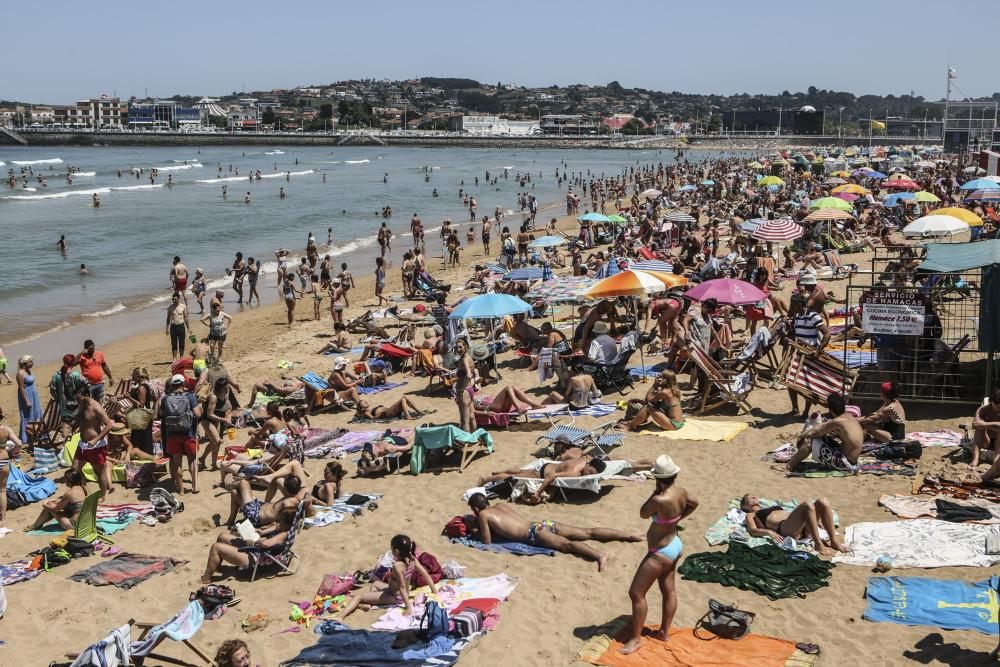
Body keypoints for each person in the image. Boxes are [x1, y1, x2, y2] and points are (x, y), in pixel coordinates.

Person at [620, 455, 698, 655]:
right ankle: (664, 632)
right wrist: (678, 518)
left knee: (636, 593)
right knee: (669, 590)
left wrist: (655, 492)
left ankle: (636, 639)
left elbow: (643, 513)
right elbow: (694, 503)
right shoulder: (681, 492)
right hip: (675, 543)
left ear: (657, 478)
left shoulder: (659, 499)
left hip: (660, 551)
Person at [467, 493, 641, 571]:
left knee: (567, 545)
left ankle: (599, 555)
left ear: (476, 508)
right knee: (587, 531)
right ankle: (629, 535)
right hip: (541, 524)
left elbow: (487, 542)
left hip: (534, 534)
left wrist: (474, 529)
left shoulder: (483, 514)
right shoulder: (500, 505)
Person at [341, 535, 438, 618]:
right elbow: (426, 575)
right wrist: (434, 591)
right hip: (397, 592)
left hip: (395, 597)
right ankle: (369, 604)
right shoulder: (412, 560)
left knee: (358, 597)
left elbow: (402, 587)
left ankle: (340, 617)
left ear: (396, 551)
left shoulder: (398, 566)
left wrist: (408, 607)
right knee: (375, 584)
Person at [201, 503, 298, 584]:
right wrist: (261, 531)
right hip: (258, 550)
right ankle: (217, 567)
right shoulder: (286, 526)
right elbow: (275, 527)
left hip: (257, 555)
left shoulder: (283, 535)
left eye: (280, 519)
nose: (277, 521)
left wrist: (252, 541)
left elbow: (266, 544)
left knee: (216, 547)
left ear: (286, 522)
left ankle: (206, 578)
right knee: (222, 536)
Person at [740, 494, 847, 556]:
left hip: (801, 525)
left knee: (822, 501)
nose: (753, 496)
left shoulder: (769, 506)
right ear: (745, 506)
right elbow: (752, 530)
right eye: (749, 497)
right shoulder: (750, 514)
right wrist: (769, 532)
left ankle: (833, 540)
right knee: (807, 505)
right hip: (785, 528)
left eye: (754, 495)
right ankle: (818, 544)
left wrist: (817, 520)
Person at [478, 456, 608, 503]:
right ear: (589, 465)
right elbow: (551, 477)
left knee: (520, 471)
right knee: (514, 477)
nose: (588, 475)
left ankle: (500, 471)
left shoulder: (584, 460)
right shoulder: (574, 473)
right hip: (542, 475)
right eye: (590, 472)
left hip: (546, 466)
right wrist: (538, 492)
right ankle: (486, 479)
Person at [786, 393, 864, 473]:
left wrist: (802, 435)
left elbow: (816, 432)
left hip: (845, 463)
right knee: (822, 437)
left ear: (830, 410)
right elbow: (823, 427)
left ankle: (789, 466)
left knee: (809, 440)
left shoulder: (838, 422)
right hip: (851, 460)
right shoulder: (848, 416)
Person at [159, 374, 203, 495]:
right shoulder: (190, 396)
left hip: (172, 433)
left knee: (177, 462)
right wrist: (200, 406)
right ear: (183, 384)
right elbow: (198, 414)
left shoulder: (166, 398)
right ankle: (194, 486)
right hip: (188, 433)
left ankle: (181, 489)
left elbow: (162, 413)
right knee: (192, 461)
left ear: (172, 385)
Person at [73, 383, 114, 498]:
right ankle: (84, 491)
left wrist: (96, 439)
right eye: (76, 398)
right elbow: (80, 419)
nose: (77, 400)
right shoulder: (81, 404)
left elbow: (109, 425)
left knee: (99, 472)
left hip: (96, 446)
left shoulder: (95, 407)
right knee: (75, 469)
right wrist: (72, 429)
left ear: (86, 395)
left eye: (79, 398)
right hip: (83, 444)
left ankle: (102, 495)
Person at [617, 371, 685, 432]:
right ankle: (633, 422)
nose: (658, 378)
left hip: (673, 424)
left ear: (665, 381)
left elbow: (647, 401)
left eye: (660, 377)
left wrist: (654, 385)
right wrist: (638, 400)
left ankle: (630, 426)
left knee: (648, 407)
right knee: (652, 405)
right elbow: (652, 400)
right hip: (679, 422)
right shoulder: (674, 390)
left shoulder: (664, 392)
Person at [200, 377, 235, 472]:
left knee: (215, 443)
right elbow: (209, 414)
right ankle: (211, 462)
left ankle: (207, 460)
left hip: (218, 420)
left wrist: (229, 415)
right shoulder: (213, 397)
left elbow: (228, 405)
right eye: (227, 386)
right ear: (223, 387)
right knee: (217, 441)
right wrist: (224, 420)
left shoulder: (225, 393)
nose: (229, 387)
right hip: (207, 420)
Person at [128, 367, 156, 457]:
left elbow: (140, 404)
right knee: (145, 438)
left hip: (141, 417)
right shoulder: (145, 386)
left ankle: (144, 459)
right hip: (144, 417)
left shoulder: (141, 388)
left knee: (141, 440)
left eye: (133, 376)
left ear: (138, 377)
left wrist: (128, 397)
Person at [16, 355, 42, 443]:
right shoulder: (20, 373)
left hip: (34, 395)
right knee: (27, 415)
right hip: (26, 396)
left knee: (36, 412)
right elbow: (21, 388)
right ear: (25, 363)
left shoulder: (29, 371)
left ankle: (35, 433)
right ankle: (26, 437)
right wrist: (26, 401)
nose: (32, 363)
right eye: (30, 362)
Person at [972, 389, 1000, 472]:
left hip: (998, 442)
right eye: (997, 405)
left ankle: (996, 459)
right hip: (986, 440)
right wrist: (995, 425)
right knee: (979, 430)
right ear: (991, 402)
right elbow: (975, 424)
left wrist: (984, 424)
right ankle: (975, 459)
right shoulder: (983, 410)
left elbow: (980, 423)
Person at [454, 338, 477, 433]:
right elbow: (473, 371)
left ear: (466, 347)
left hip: (464, 391)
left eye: (460, 347)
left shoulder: (464, 359)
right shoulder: (469, 357)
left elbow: (468, 374)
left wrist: (461, 389)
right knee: (472, 417)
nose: (458, 349)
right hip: (470, 389)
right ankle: (474, 437)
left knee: (464, 420)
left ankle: (467, 440)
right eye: (456, 347)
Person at [166, 292, 190, 360]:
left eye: (175, 299)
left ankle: (181, 357)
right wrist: (167, 328)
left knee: (182, 343)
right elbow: (168, 318)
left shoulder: (183, 306)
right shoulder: (170, 307)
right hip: (173, 327)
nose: (174, 300)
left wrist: (188, 328)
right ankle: (174, 358)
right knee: (174, 343)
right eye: (172, 299)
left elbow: (186, 318)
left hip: (181, 326)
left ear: (179, 299)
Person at [355, 396, 423, 420]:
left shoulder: (371, 408)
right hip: (387, 413)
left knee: (404, 398)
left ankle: (419, 411)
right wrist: (380, 412)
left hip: (388, 410)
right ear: (362, 408)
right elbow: (373, 419)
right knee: (403, 399)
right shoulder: (366, 412)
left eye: (365, 401)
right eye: (363, 403)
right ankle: (408, 416)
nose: (365, 402)